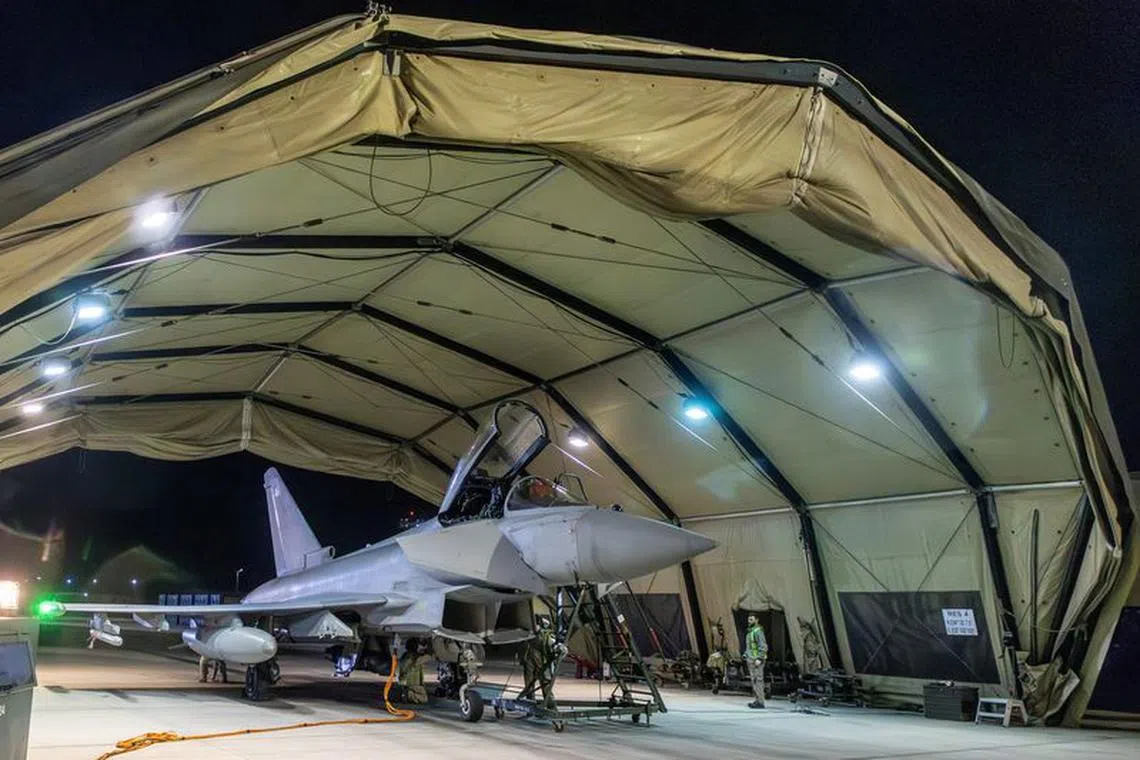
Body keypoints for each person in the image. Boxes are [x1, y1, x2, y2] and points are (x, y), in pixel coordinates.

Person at [518, 616, 562, 708]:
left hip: (542, 664)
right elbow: (523, 647)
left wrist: (557, 648)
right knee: (529, 686)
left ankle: (551, 707)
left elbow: (552, 646)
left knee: (545, 685)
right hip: (529, 663)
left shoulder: (545, 635)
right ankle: (530, 705)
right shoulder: (528, 635)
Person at [397, 638, 432, 704]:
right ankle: (408, 694)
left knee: (421, 698)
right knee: (424, 699)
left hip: (410, 682)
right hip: (413, 684)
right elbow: (429, 656)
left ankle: (408, 694)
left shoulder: (407, 655)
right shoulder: (413, 657)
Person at [744, 614, 768, 709]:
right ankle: (757, 700)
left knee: (758, 680)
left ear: (757, 620)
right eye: (748, 619)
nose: (749, 621)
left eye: (751, 619)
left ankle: (761, 702)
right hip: (751, 659)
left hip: (757, 660)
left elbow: (763, 646)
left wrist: (760, 658)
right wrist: (746, 654)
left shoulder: (758, 631)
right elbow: (750, 646)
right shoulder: (750, 632)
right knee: (754, 680)